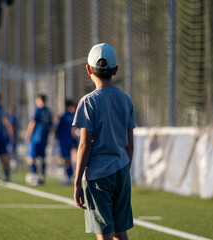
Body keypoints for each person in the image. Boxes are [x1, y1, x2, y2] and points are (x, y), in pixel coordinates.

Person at [72, 43, 136, 240]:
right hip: (121, 170)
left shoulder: (88, 101)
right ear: (115, 70)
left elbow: (84, 145)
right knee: (120, 232)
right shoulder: (126, 99)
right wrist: (124, 168)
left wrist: (76, 183)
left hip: (98, 175)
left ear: (88, 69)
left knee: (104, 234)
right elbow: (130, 143)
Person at [25, 95, 52, 186]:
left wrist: (28, 134)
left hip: (36, 137)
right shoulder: (48, 112)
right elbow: (50, 126)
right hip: (44, 137)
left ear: (40, 100)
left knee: (30, 157)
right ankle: (42, 176)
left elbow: (33, 122)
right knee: (42, 158)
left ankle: (35, 176)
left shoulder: (38, 110)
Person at [56, 100, 76, 185]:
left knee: (66, 159)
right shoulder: (74, 115)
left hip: (64, 140)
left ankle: (69, 176)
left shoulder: (64, 116)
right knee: (71, 158)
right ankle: (70, 175)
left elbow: (58, 128)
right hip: (73, 140)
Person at [7, 105, 19, 170]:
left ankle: (13, 165)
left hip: (12, 136)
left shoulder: (12, 117)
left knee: (11, 151)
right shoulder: (16, 117)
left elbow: (10, 126)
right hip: (15, 136)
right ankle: (13, 164)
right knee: (13, 150)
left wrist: (11, 135)